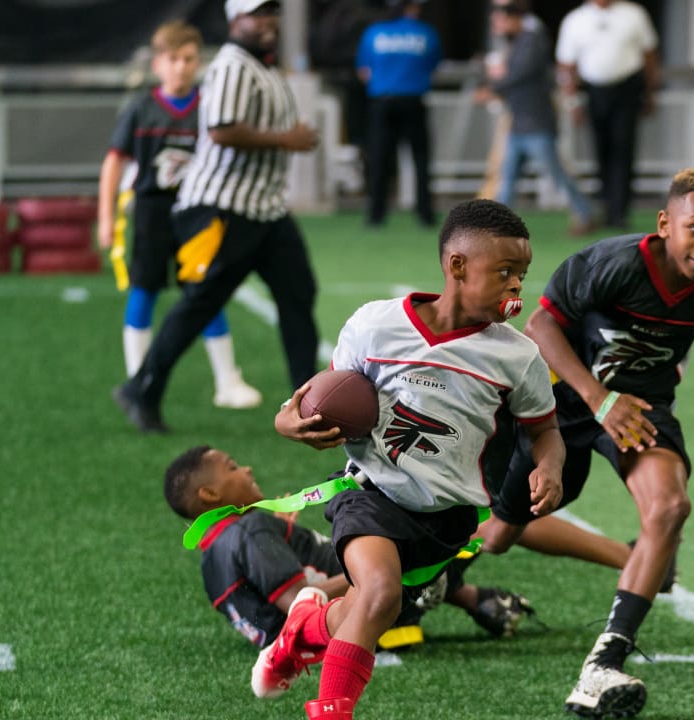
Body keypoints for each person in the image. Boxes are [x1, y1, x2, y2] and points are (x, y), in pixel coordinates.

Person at [253, 199, 566, 720]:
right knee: (379, 592)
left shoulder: (518, 355)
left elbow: (545, 430)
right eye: (505, 272)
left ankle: (301, 631)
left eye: (523, 274)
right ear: (457, 266)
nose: (517, 287)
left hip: (448, 519)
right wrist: (286, 422)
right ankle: (330, 712)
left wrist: (549, 465)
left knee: (370, 607)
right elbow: (316, 397)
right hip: (371, 491)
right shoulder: (375, 325)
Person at [475, 168, 694, 719]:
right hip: (558, 403)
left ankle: (603, 663)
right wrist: (598, 399)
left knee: (671, 506)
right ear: (665, 224)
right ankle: (437, 574)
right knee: (500, 532)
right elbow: (541, 326)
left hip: (642, 410)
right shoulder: (611, 265)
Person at [113, 0, 321, 434]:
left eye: (272, 13)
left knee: (298, 293)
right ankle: (141, 388)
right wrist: (287, 139)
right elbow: (222, 129)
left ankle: (308, 401)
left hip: (265, 208)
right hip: (222, 207)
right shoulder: (232, 65)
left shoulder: (263, 66)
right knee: (201, 303)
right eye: (256, 13)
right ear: (234, 20)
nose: (267, 22)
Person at [164, 444, 535, 649]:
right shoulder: (248, 530)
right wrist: (384, 571)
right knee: (496, 520)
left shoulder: (211, 561)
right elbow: (300, 603)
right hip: (364, 611)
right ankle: (594, 551)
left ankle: (476, 599)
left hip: (345, 616)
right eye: (231, 468)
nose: (245, 469)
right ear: (209, 494)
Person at [97, 21, 262, 411]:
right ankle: (141, 382)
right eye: (173, 59)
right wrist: (105, 217)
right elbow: (113, 163)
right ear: (158, 63)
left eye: (189, 59)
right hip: (152, 211)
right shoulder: (141, 108)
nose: (182, 67)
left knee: (206, 293)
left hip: (199, 213)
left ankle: (227, 380)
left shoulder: (209, 108)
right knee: (144, 290)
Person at [478, 0, 595, 236]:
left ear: (513, 19)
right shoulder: (519, 42)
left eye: (500, 20)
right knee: (508, 177)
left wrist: (493, 87)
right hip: (519, 123)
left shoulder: (532, 40)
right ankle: (499, 226)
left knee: (557, 175)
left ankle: (586, 213)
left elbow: (520, 74)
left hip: (536, 124)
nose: (497, 25)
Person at [556, 0, 659, 230]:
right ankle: (605, 206)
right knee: (601, 151)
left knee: (623, 148)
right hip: (594, 91)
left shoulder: (634, 13)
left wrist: (651, 92)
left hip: (628, 89)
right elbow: (566, 65)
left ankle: (620, 212)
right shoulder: (576, 20)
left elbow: (649, 53)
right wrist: (571, 101)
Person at [356, 0, 441, 228]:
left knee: (380, 159)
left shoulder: (374, 33)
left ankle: (376, 215)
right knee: (421, 159)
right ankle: (425, 215)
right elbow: (433, 67)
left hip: (381, 102)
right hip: (413, 101)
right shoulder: (425, 33)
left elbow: (364, 72)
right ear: (411, 8)